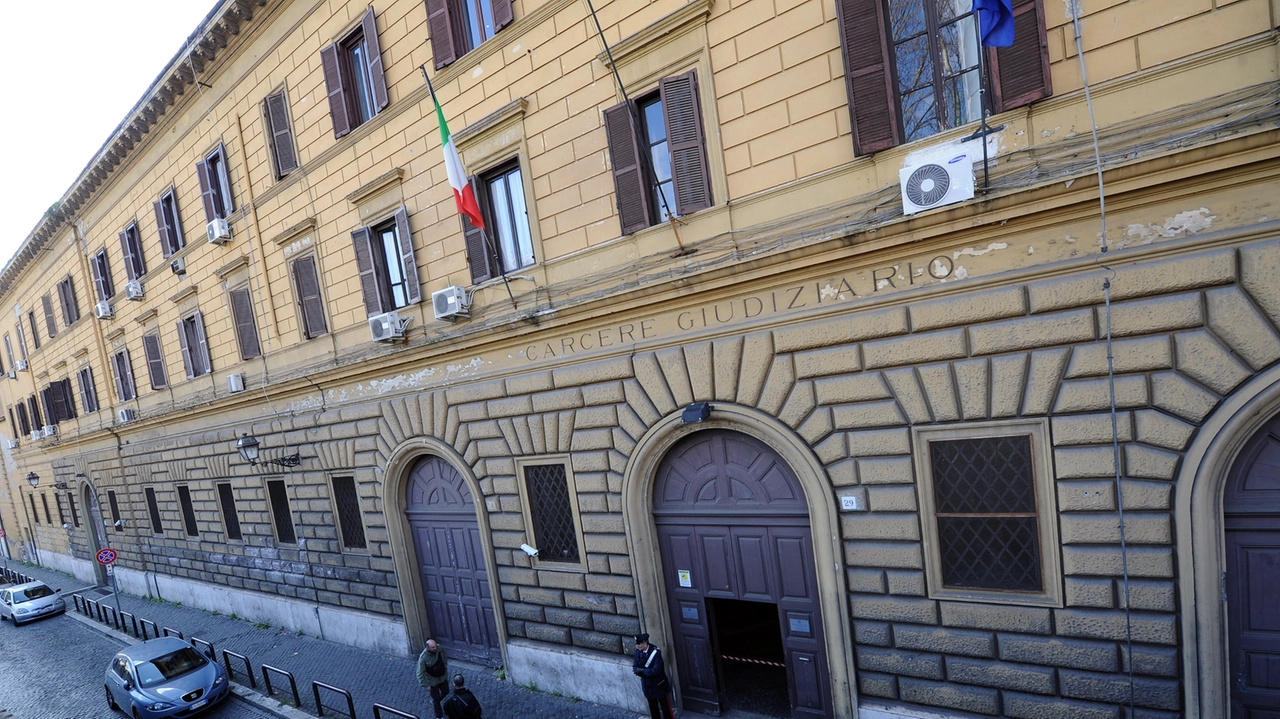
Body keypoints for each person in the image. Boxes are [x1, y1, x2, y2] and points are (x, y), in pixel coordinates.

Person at [632, 633, 675, 719]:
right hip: (647, 686)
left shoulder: (655, 653)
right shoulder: (637, 652)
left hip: (659, 685)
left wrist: (643, 671)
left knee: (666, 709)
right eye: (637, 644)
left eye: (639, 644)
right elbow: (635, 668)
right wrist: (643, 672)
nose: (637, 646)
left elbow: (656, 671)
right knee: (653, 709)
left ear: (645, 643)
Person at [416, 639, 450, 719]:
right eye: (432, 647)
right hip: (432, 681)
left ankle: (435, 701)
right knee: (436, 699)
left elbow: (444, 656)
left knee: (446, 691)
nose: (435, 648)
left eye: (435, 646)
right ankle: (439, 716)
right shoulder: (423, 658)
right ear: (427, 648)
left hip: (442, 677)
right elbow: (420, 673)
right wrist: (425, 685)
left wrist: (444, 667)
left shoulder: (439, 648)